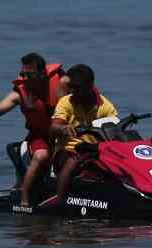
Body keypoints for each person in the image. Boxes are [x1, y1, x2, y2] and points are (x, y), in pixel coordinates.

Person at [0, 52, 66, 208]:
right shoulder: (20, 92)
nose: (25, 79)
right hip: (39, 136)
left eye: (30, 75)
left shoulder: (61, 84)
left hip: (63, 134)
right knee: (41, 155)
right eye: (22, 74)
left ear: (42, 73)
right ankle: (23, 198)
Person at [47, 64, 118, 206]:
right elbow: (53, 127)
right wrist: (63, 128)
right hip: (68, 151)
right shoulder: (66, 102)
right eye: (71, 86)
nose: (72, 90)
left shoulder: (105, 106)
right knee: (73, 160)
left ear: (90, 85)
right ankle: (60, 199)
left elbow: (115, 128)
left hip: (96, 152)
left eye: (77, 87)